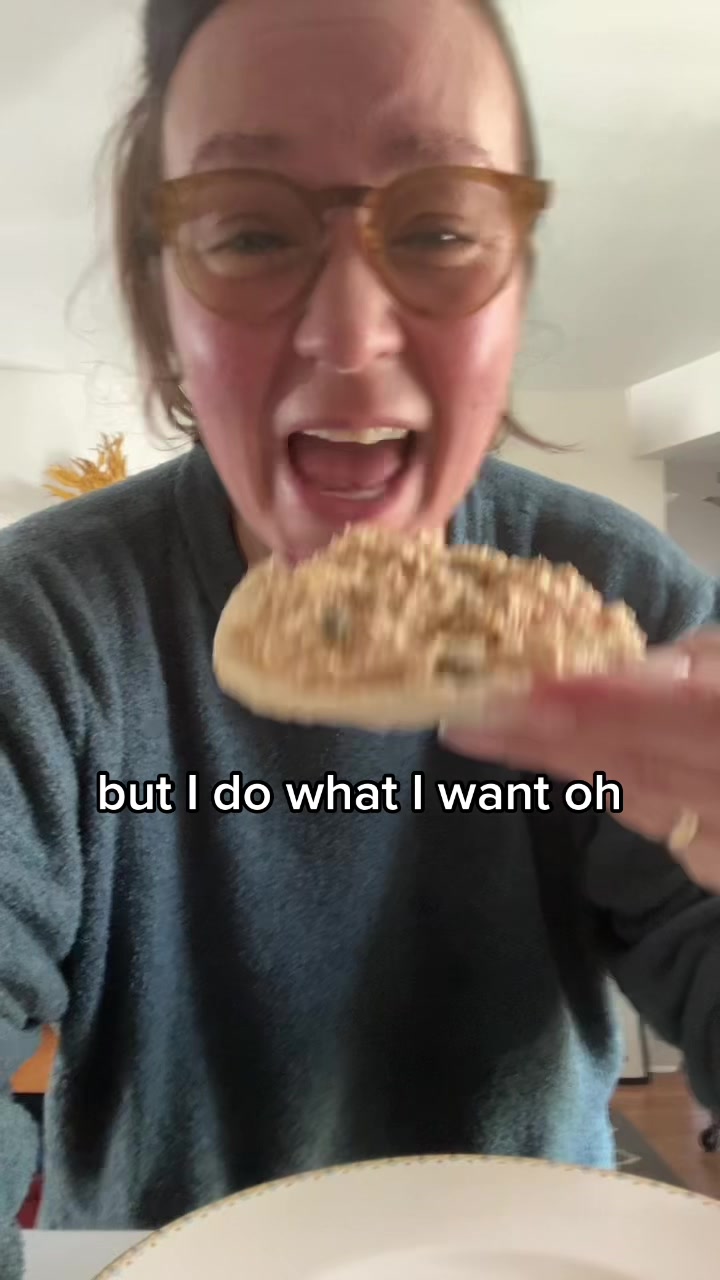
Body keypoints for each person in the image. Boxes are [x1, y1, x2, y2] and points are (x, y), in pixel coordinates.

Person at [1, 0, 719, 1274]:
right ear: (164, 300)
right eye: (249, 230)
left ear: (515, 285)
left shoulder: (625, 600)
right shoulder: (39, 630)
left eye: (440, 227)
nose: (349, 332)